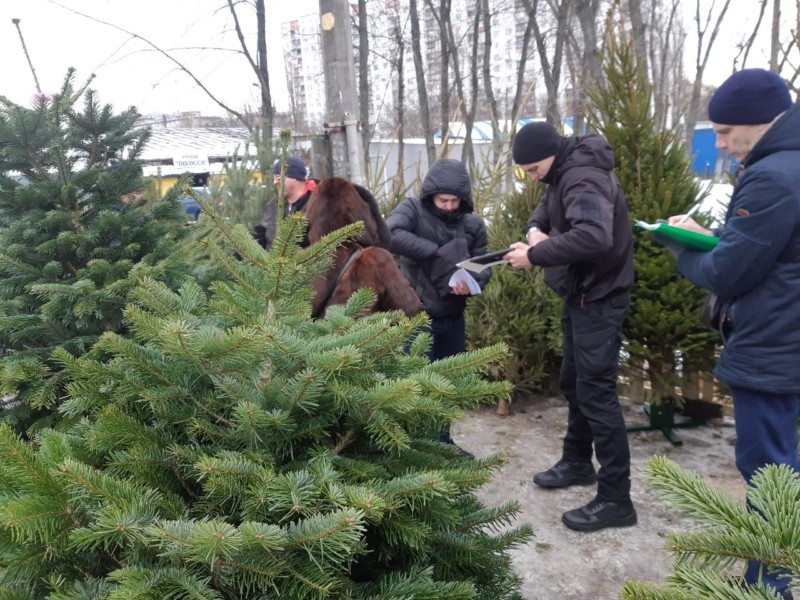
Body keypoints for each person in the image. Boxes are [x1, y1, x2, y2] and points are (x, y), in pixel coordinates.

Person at [660, 68, 798, 600]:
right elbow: (769, 243)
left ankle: (771, 584)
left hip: (774, 343)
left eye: (724, 131)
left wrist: (679, 244)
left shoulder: (773, 175)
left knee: (768, 471)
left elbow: (726, 273)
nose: (718, 143)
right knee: (783, 460)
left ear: (760, 123)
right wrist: (714, 235)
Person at [503, 121, 636, 532]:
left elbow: (594, 236)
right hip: (580, 294)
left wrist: (538, 253)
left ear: (550, 153)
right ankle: (578, 461)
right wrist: (533, 230)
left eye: (532, 169)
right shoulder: (562, 171)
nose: (531, 176)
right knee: (574, 381)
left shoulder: (583, 175)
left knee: (596, 393)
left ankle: (617, 499)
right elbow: (543, 210)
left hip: (600, 297)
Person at [386, 158, 491, 455]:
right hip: (417, 318)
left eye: (454, 200)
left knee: (447, 384)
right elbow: (390, 233)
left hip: (453, 318)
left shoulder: (472, 224)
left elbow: (484, 265)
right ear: (431, 194)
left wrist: (471, 281)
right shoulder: (412, 210)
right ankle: (411, 450)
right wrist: (436, 255)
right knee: (415, 385)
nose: (448, 205)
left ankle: (442, 444)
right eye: (442, 199)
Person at [253, 156, 317, 250]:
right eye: (274, 178)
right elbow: (260, 236)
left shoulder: (318, 203)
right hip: (272, 264)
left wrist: (303, 255)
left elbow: (327, 243)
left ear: (295, 177)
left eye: (278, 178)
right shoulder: (273, 204)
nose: (275, 182)